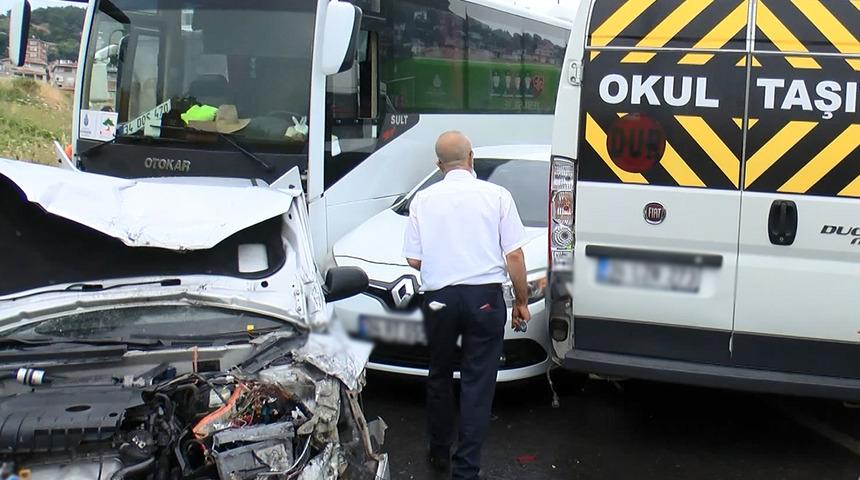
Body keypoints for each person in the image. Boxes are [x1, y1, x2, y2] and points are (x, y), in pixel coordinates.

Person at [403, 131, 531, 480]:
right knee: (478, 381)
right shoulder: (498, 195)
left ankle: (439, 451)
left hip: (439, 300)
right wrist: (521, 301)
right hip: (484, 300)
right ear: (471, 158)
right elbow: (515, 255)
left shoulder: (423, 200)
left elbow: (414, 261)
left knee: (440, 374)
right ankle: (466, 469)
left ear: (438, 165)